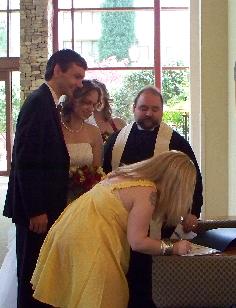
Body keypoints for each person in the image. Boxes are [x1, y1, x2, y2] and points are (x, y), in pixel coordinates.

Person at [31, 150, 196, 308]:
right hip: (89, 242)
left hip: (67, 231)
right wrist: (173, 247)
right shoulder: (147, 192)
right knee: (104, 297)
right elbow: (137, 242)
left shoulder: (128, 175)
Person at [103, 86, 203, 307]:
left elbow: (193, 180)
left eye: (154, 109)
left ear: (162, 111)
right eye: (143, 108)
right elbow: (103, 176)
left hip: (157, 221)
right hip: (119, 220)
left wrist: (192, 212)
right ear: (134, 109)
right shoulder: (116, 140)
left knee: (146, 282)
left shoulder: (176, 142)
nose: (148, 113)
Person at [2, 49, 87, 308]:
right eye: (76, 76)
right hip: (35, 214)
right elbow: (26, 159)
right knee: (31, 279)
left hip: (44, 210)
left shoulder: (48, 102)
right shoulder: (39, 102)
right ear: (58, 70)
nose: (79, 84)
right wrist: (36, 209)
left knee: (40, 278)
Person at [60, 80, 103, 202]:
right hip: (55, 194)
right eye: (87, 103)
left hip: (84, 198)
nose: (91, 109)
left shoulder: (94, 132)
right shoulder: (55, 129)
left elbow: (96, 171)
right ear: (73, 100)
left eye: (94, 105)